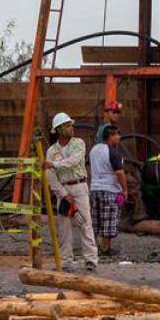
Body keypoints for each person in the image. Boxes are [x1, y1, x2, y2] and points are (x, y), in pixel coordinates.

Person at [44, 112, 99, 271]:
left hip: (79, 186)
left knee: (85, 223)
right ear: (59, 129)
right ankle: (66, 261)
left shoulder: (78, 144)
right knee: (64, 227)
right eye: (68, 125)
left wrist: (53, 164)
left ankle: (90, 260)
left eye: (71, 124)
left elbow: (73, 161)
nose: (72, 128)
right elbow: (50, 176)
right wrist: (63, 194)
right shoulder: (51, 151)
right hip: (63, 189)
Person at [89, 124, 128, 257]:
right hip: (110, 189)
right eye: (117, 134)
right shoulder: (113, 152)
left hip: (94, 188)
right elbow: (120, 173)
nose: (119, 137)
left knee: (96, 219)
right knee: (109, 220)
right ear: (110, 136)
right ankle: (106, 249)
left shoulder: (93, 150)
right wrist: (125, 190)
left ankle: (92, 248)